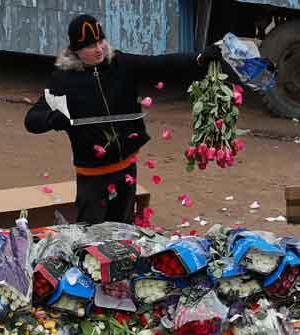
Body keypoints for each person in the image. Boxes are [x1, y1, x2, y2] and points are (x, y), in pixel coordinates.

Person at [25, 14, 221, 225]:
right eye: (91, 46)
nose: (99, 49)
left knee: (123, 231)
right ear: (76, 50)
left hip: (126, 168)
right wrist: (53, 119)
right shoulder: (63, 79)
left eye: (101, 41)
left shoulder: (121, 64)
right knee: (90, 236)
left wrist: (198, 58)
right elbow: (32, 120)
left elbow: (161, 64)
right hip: (91, 175)